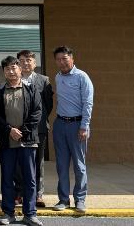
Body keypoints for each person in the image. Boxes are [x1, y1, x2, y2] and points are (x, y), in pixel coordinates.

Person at [0, 56, 42, 226]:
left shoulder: (31, 88)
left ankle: (30, 214)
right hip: (7, 142)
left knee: (30, 179)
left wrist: (22, 131)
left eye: (14, 68)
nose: (11, 71)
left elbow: (37, 113)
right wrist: (9, 130)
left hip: (27, 141)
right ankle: (8, 213)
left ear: (20, 69)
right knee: (7, 178)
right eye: (7, 69)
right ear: (4, 72)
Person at [52, 46, 94, 213]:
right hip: (60, 124)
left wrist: (84, 126)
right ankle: (63, 199)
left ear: (72, 59)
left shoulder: (82, 77)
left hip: (78, 126)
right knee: (61, 165)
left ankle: (80, 199)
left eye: (65, 58)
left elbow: (88, 103)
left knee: (79, 165)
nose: (62, 62)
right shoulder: (57, 77)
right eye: (58, 59)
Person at [14, 50, 53, 208]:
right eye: (22, 60)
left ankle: (38, 194)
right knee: (18, 161)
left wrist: (36, 121)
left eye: (28, 60)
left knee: (38, 161)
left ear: (34, 63)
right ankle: (19, 193)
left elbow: (48, 105)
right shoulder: (14, 80)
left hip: (38, 129)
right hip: (18, 129)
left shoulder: (44, 80)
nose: (25, 63)